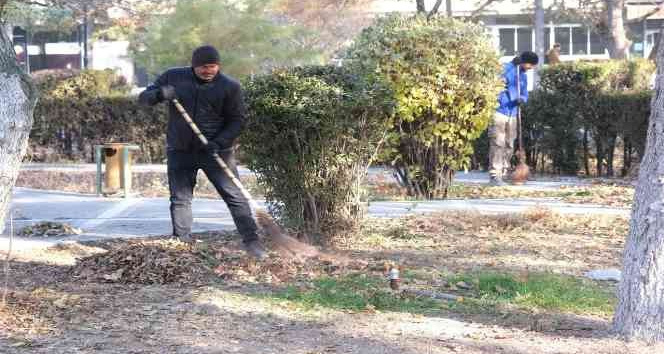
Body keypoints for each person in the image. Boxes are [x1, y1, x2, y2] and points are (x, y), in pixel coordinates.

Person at [138, 45, 266, 259]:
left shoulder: (230, 87)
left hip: (216, 152)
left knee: (235, 197)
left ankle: (252, 242)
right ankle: (181, 243)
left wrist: (220, 141)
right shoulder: (173, 76)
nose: (208, 71)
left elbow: (238, 120)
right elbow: (144, 98)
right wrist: (159, 94)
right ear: (194, 65)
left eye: (213, 66)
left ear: (219, 66)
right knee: (180, 198)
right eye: (203, 67)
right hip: (180, 150)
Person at [489, 51, 539, 186]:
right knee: (498, 143)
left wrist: (522, 99)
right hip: (500, 110)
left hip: (513, 112)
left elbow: (524, 93)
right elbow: (500, 84)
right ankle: (495, 174)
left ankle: (505, 172)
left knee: (510, 144)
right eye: (531, 65)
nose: (531, 68)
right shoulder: (507, 68)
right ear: (524, 61)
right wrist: (512, 96)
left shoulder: (523, 75)